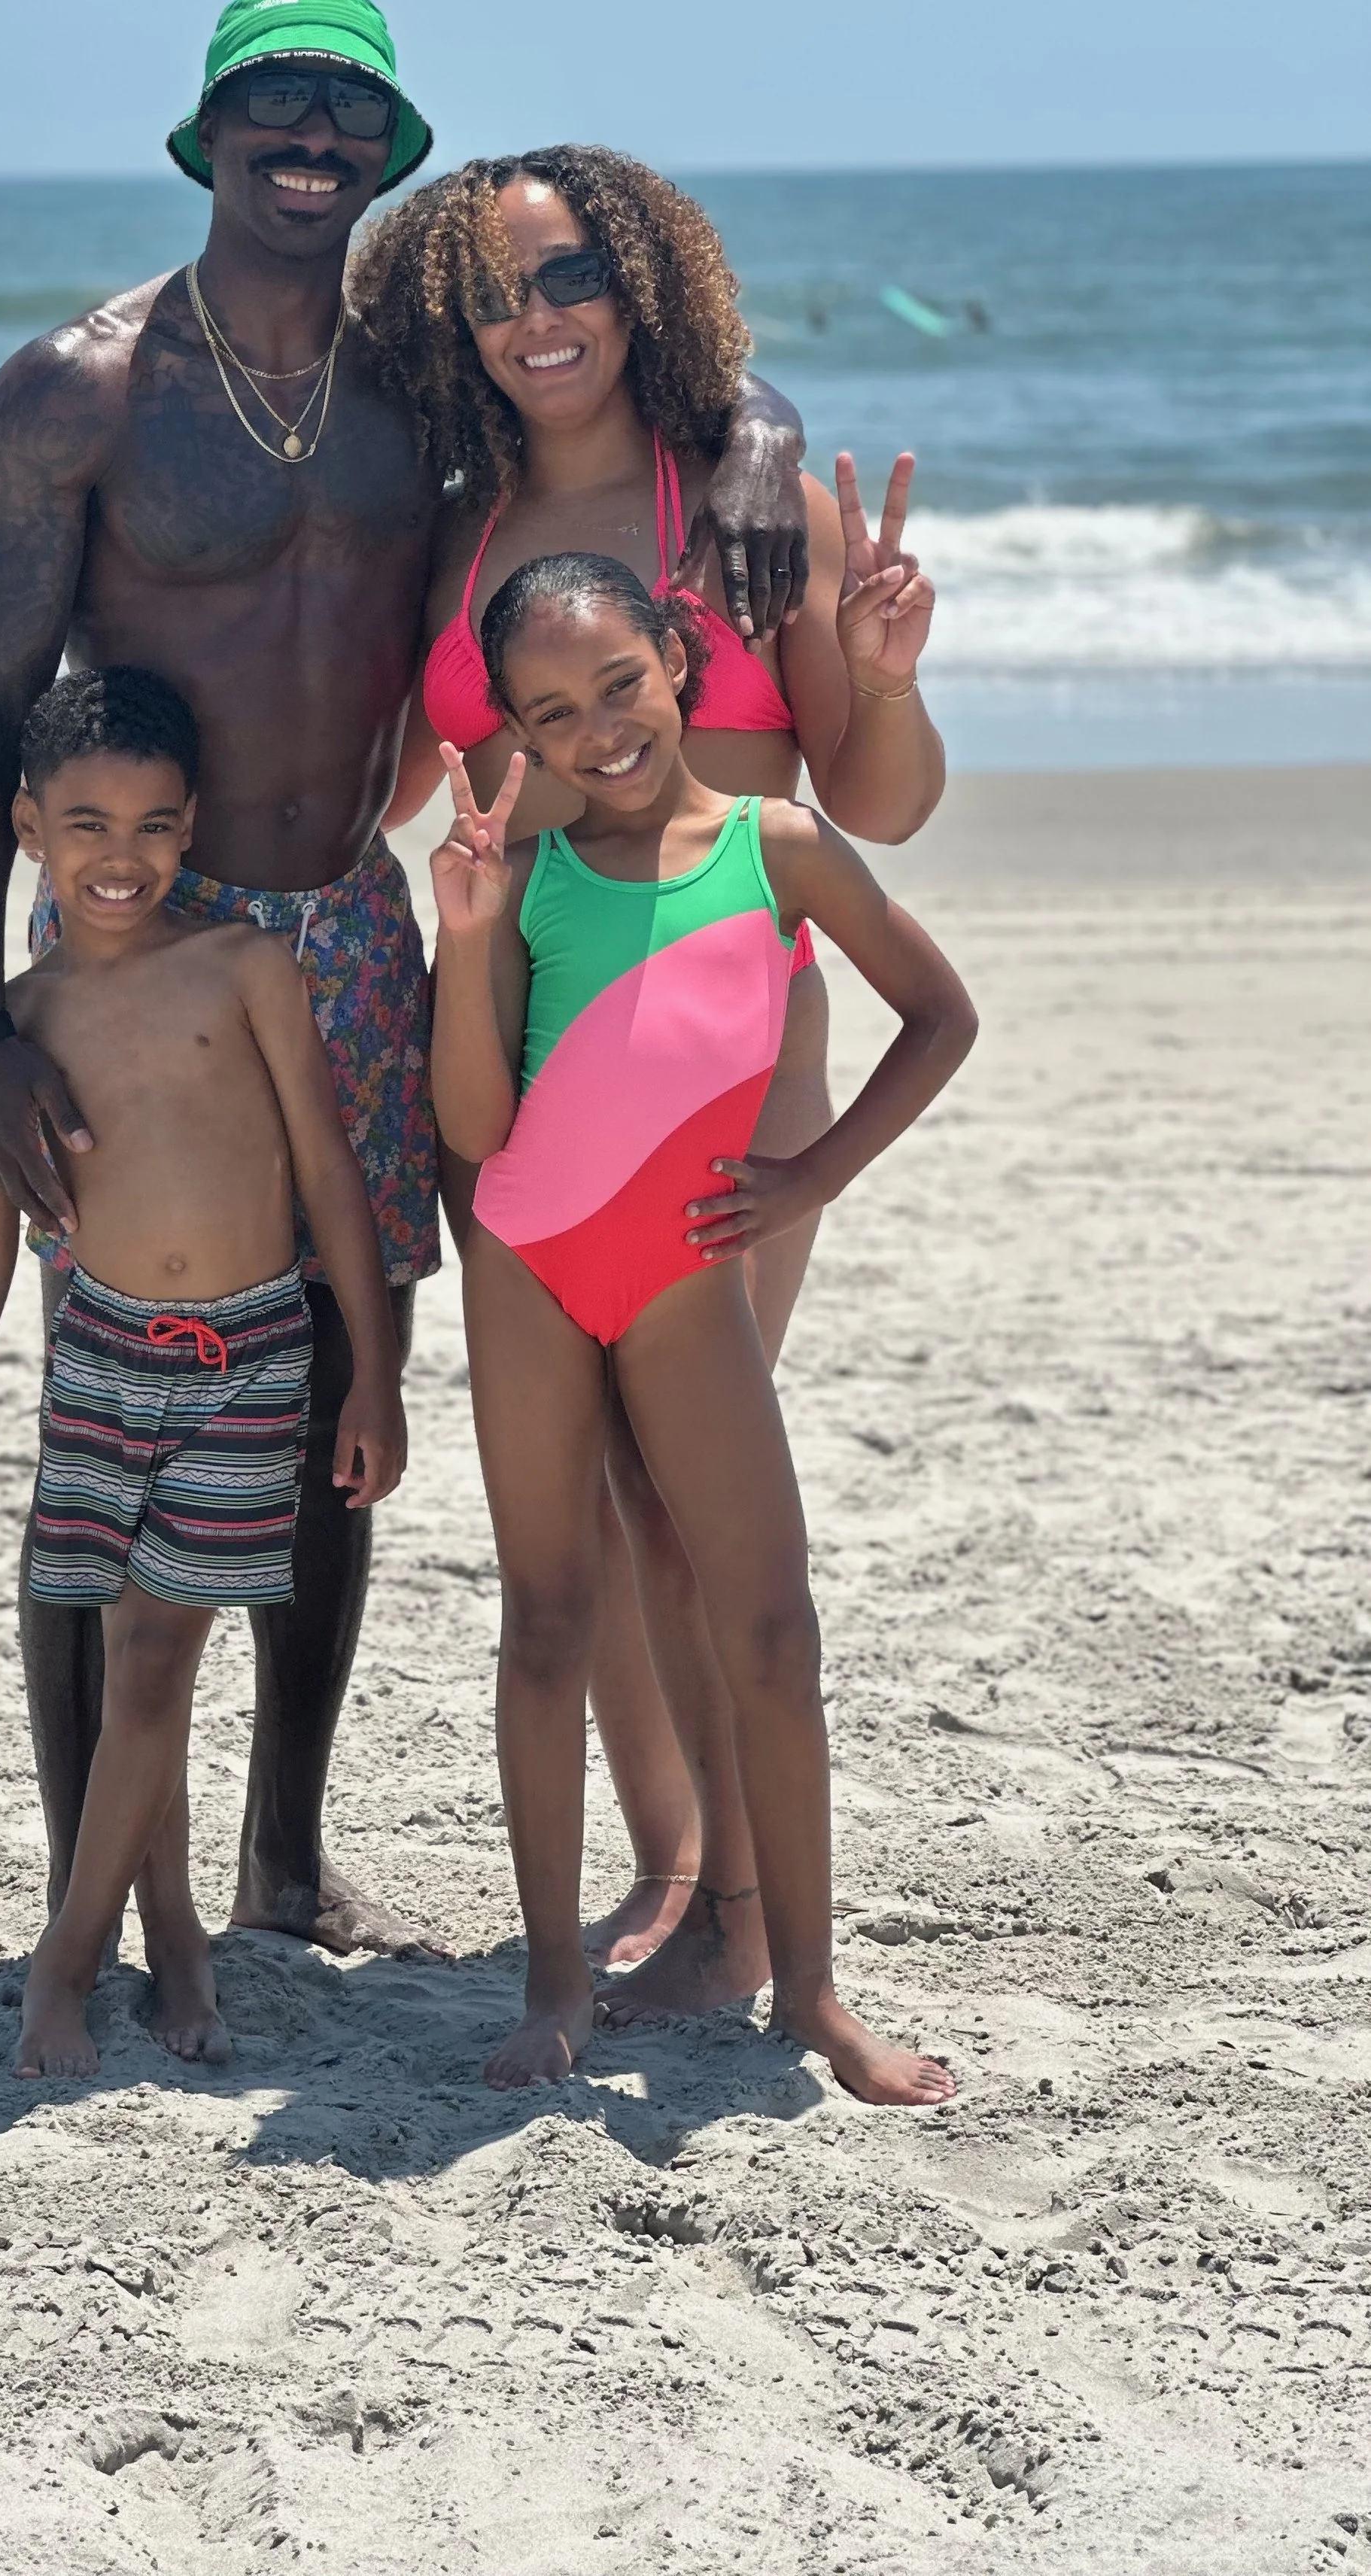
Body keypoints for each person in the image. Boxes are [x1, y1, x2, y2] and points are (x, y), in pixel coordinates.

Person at [0, 0, 813, 1960]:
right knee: (118, 1388)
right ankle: (94, 1861)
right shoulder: (77, 392)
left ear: (386, 151)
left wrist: (764, 435)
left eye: (347, 105)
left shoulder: (418, 403)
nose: (308, 132)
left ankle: (285, 1851)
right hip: (147, 935)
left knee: (338, 1370)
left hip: (345, 923)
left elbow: (642, 389)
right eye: (271, 99)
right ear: (206, 131)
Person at [353, 150, 944, 1997]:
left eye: (566, 280)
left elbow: (880, 809)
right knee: (589, 1501)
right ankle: (673, 1865)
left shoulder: (753, 507)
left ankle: (750, 1915)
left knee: (687, 1488)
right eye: (497, 297)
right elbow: (395, 789)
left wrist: (872, 669)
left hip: (726, 1069)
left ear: (639, 288)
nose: (537, 324)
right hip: (513, 1068)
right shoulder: (451, 539)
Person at [427, 554, 975, 2094]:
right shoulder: (518, 883)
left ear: (676, 659)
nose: (597, 726)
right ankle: (553, 1988)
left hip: (680, 1281)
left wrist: (809, 1172)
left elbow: (938, 1015)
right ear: (516, 739)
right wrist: (463, 937)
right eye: (550, 712)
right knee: (545, 1618)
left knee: (770, 1626)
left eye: (618, 682)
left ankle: (808, 1998)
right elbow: (474, 1129)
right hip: (529, 1265)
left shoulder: (775, 847)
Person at [0, 667, 406, 2076]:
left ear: (192, 829)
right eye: (85, 826)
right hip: (102, 1362)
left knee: (159, 1660)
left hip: (248, 1356)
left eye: (154, 826)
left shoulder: (245, 969)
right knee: (139, 1665)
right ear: (26, 828)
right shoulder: (17, 1022)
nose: (119, 858)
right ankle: (174, 1929)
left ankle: (68, 1959)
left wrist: (371, 1375)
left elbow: (333, 1180)